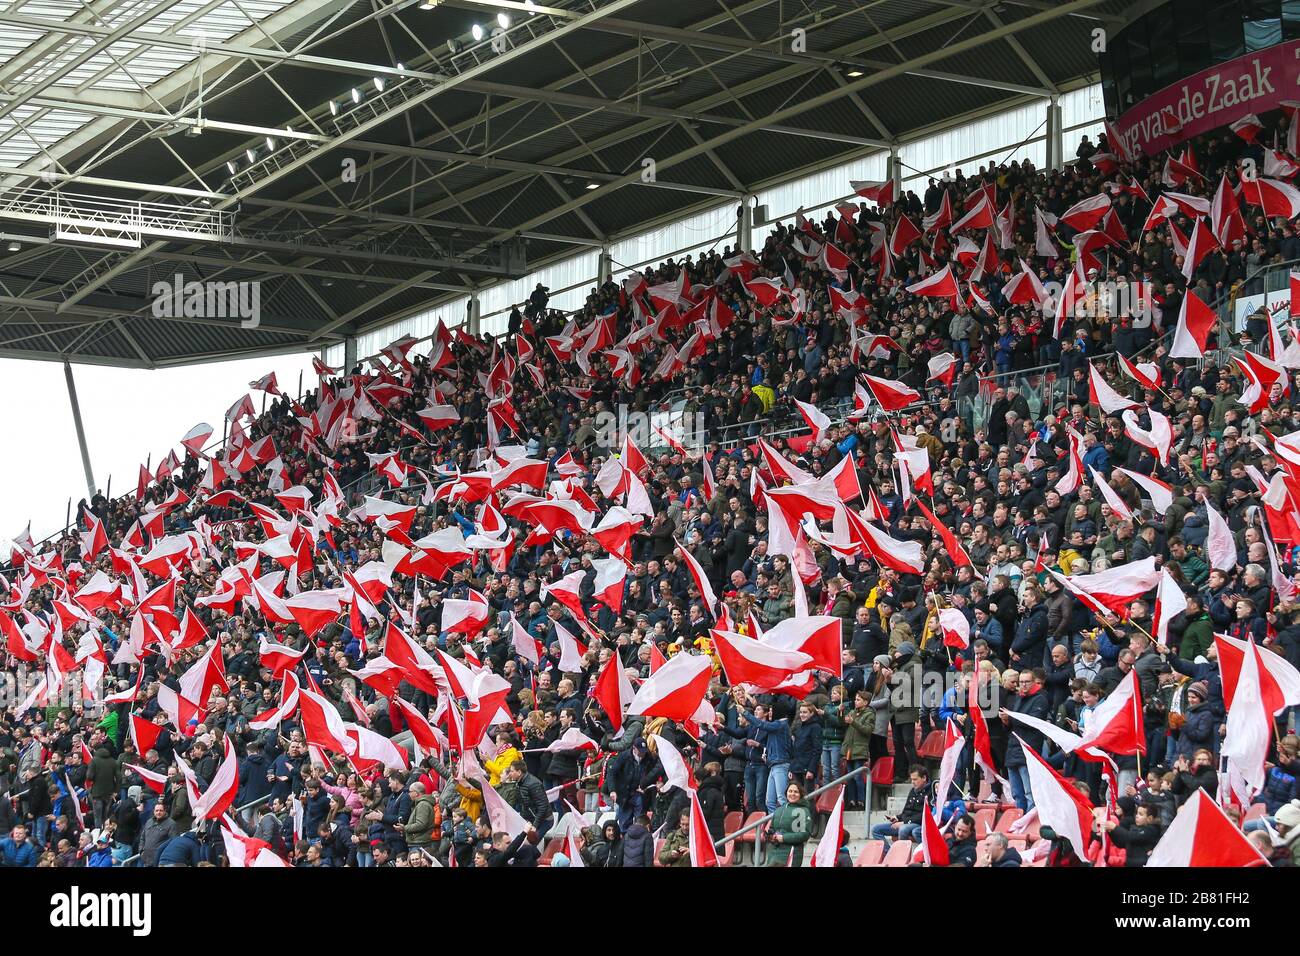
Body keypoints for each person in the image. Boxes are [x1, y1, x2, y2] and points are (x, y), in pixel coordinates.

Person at [764, 780, 813, 867]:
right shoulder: (779, 810)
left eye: (796, 792)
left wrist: (784, 838)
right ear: (786, 793)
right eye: (790, 791)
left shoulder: (803, 811)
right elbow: (772, 828)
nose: (792, 794)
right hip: (774, 852)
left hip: (792, 853)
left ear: (800, 794)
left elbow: (805, 834)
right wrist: (770, 836)